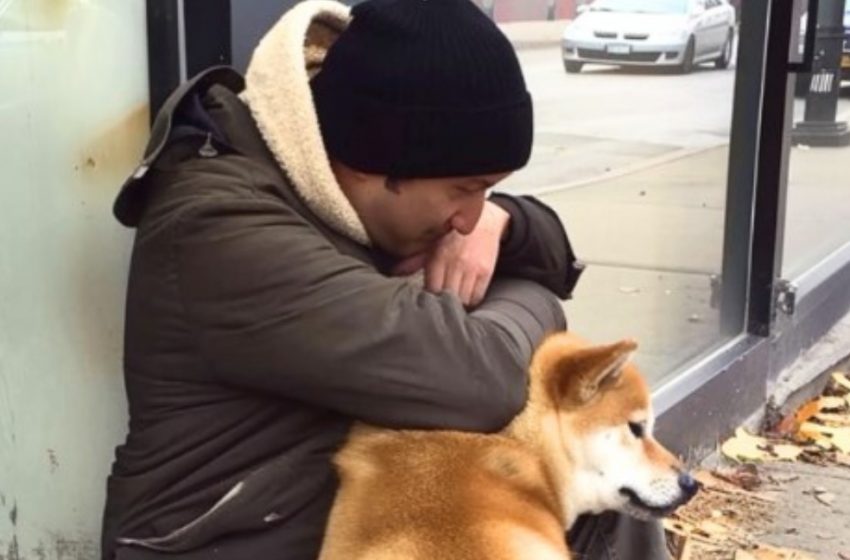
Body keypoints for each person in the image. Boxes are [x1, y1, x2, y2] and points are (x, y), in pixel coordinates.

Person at [101, 0, 666, 558]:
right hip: (237, 542)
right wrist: (537, 301)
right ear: (375, 159)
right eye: (465, 189)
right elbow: (479, 381)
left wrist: (507, 224)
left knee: (607, 502)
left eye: (488, 191)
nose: (469, 219)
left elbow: (549, 259)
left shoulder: (346, 187)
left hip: (355, 512)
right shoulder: (222, 228)